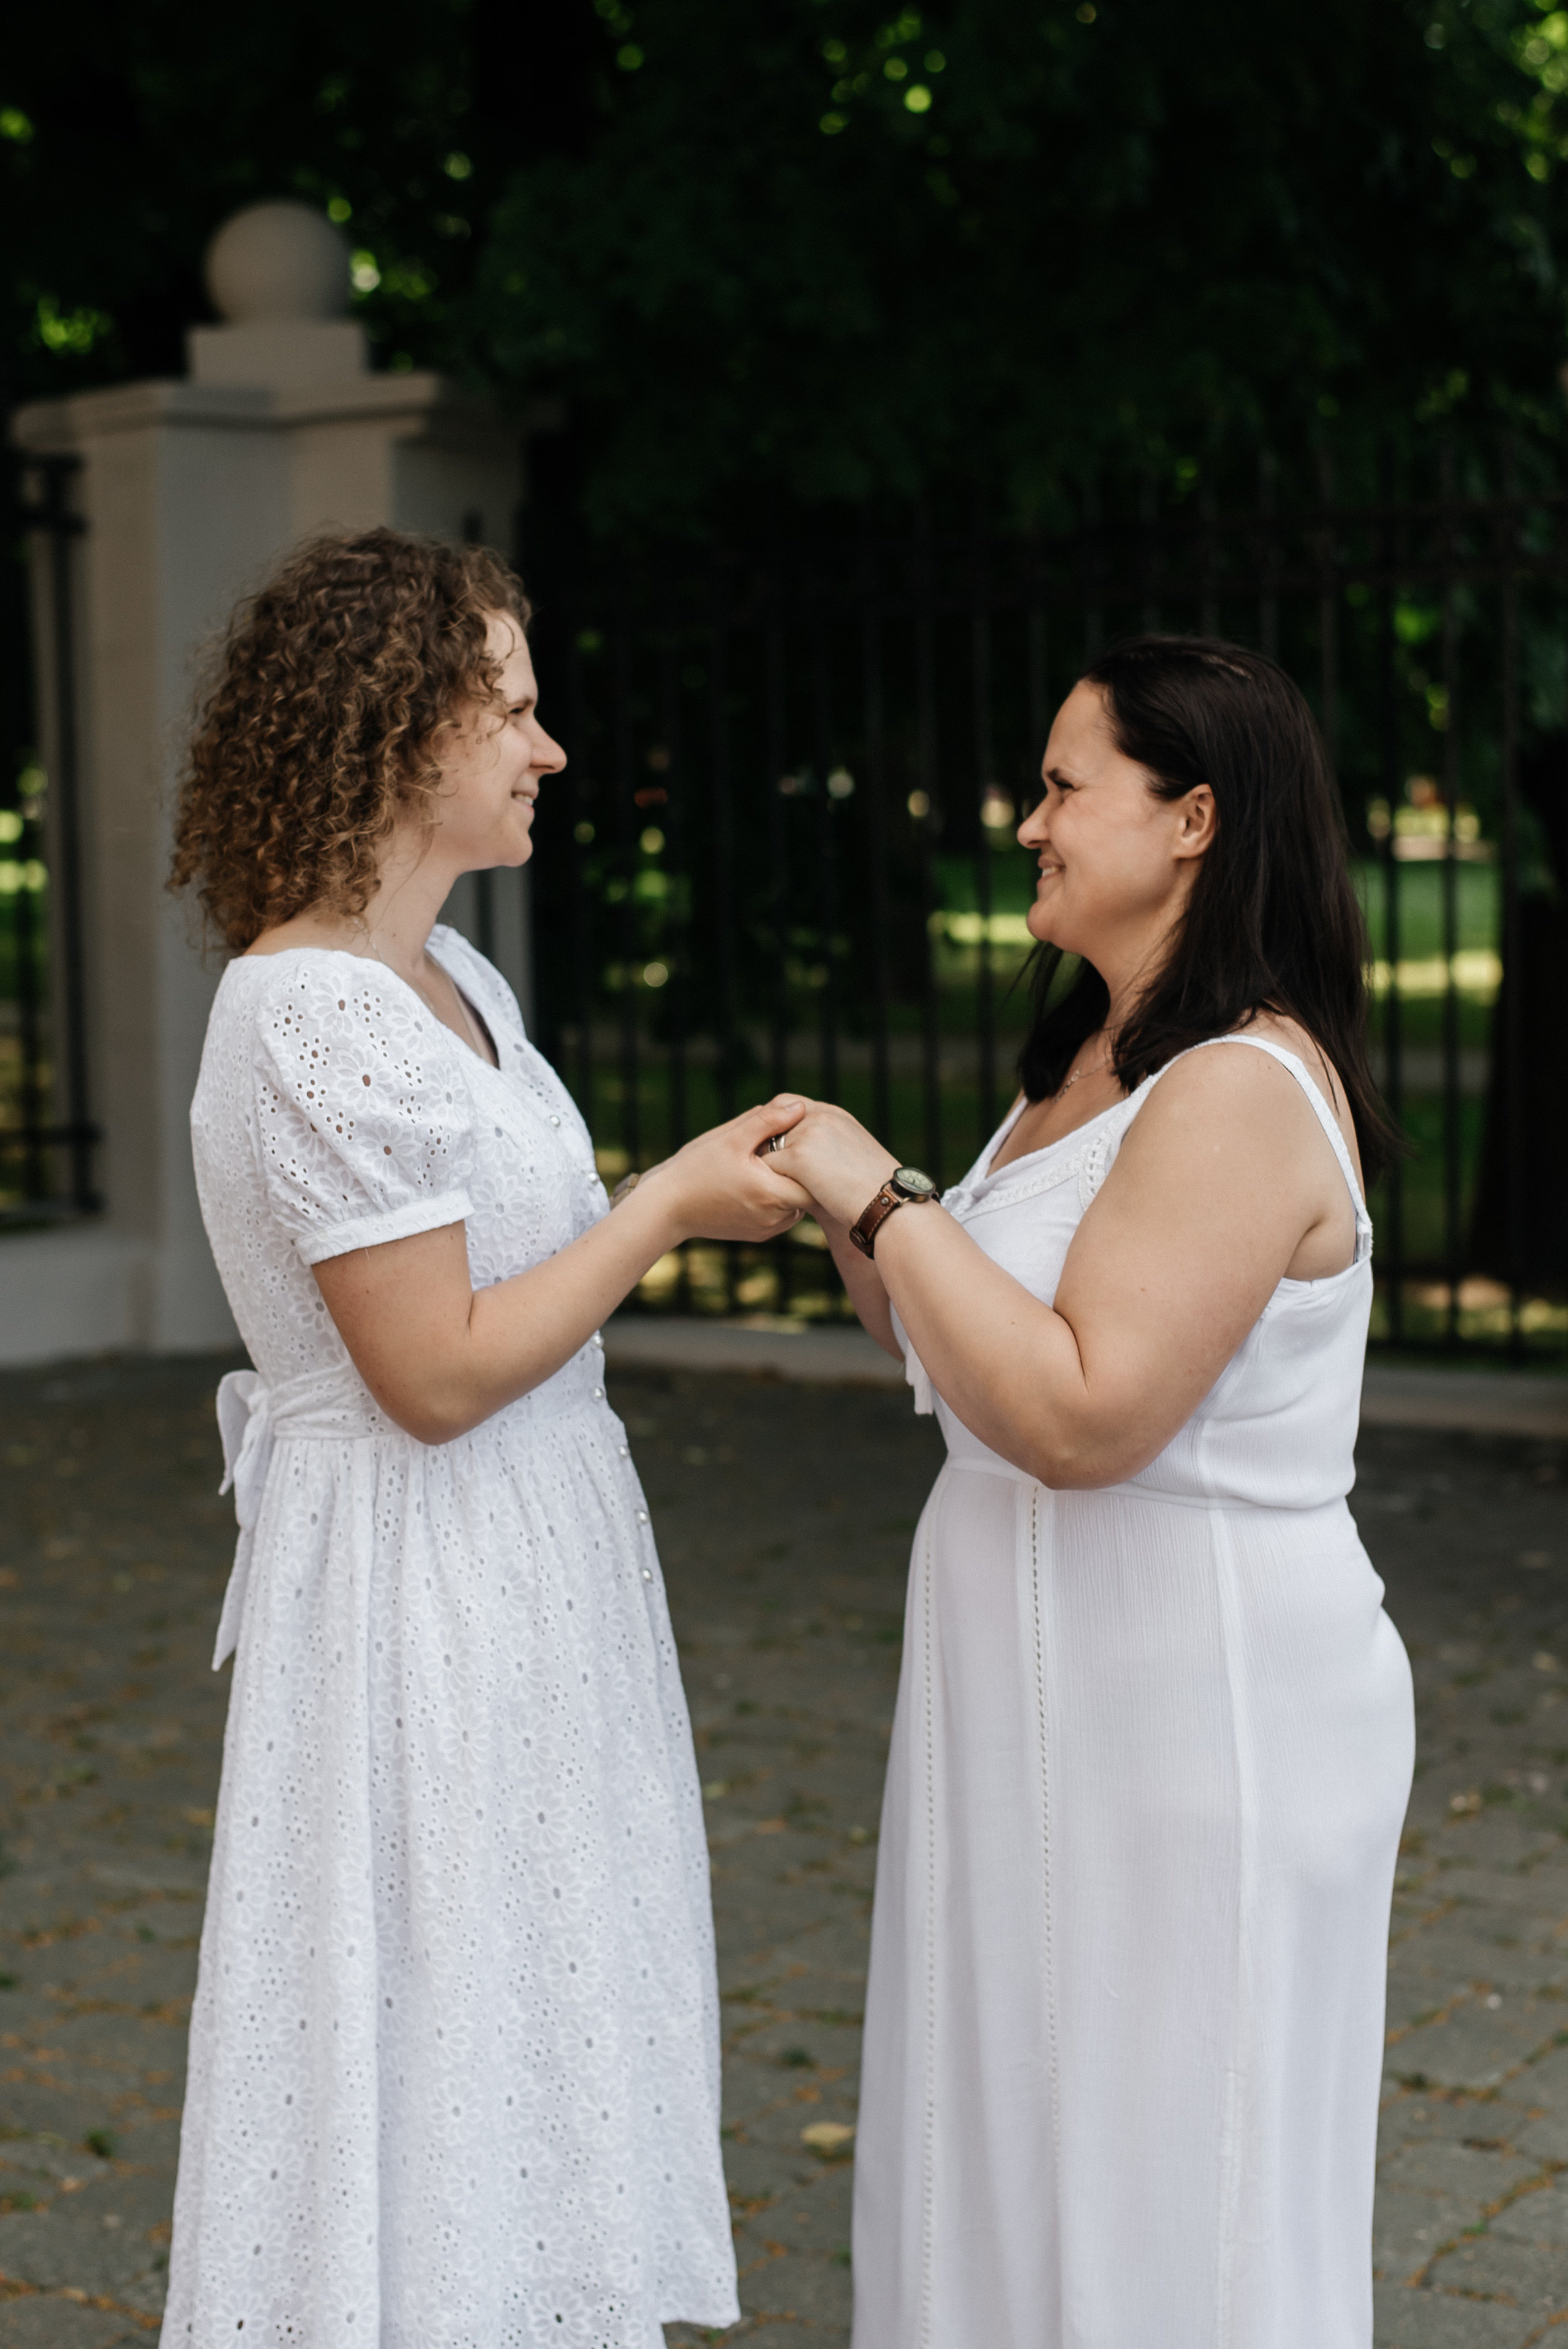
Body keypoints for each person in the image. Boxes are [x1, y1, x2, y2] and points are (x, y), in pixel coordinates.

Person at [163, 527, 808, 2347]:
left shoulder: (462, 989)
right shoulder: (306, 1011)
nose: (551, 746)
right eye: (512, 708)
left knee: (541, 2007)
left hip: (538, 1556)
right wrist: (669, 1199)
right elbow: (430, 1372)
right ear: (396, 730)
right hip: (411, 1585)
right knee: (435, 2017)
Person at [758, 636, 1415, 2349]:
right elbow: (967, 1344)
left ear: (1194, 817)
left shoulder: (1242, 1088)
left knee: (1162, 2178)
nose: (1027, 820)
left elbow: (1084, 1406)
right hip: (1023, 1690)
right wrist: (865, 1203)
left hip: (1190, 1705)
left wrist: (879, 1195)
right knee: (1012, 2135)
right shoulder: (1087, 1058)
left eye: (1063, 785)